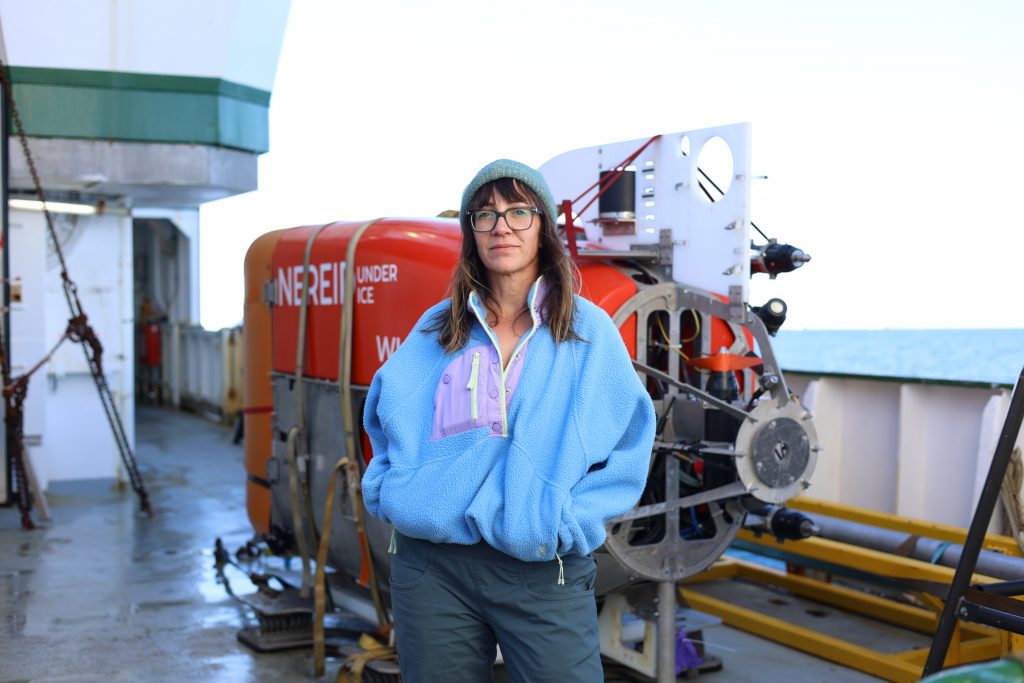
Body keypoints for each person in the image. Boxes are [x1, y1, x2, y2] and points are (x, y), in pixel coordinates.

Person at [361, 159, 656, 682]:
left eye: (519, 212)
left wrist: (569, 520)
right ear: (470, 232)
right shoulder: (438, 328)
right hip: (433, 569)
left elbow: (633, 440)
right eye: (486, 215)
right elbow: (384, 417)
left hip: (542, 568)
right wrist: (390, 490)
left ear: (542, 226)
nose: (502, 227)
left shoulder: (588, 332)